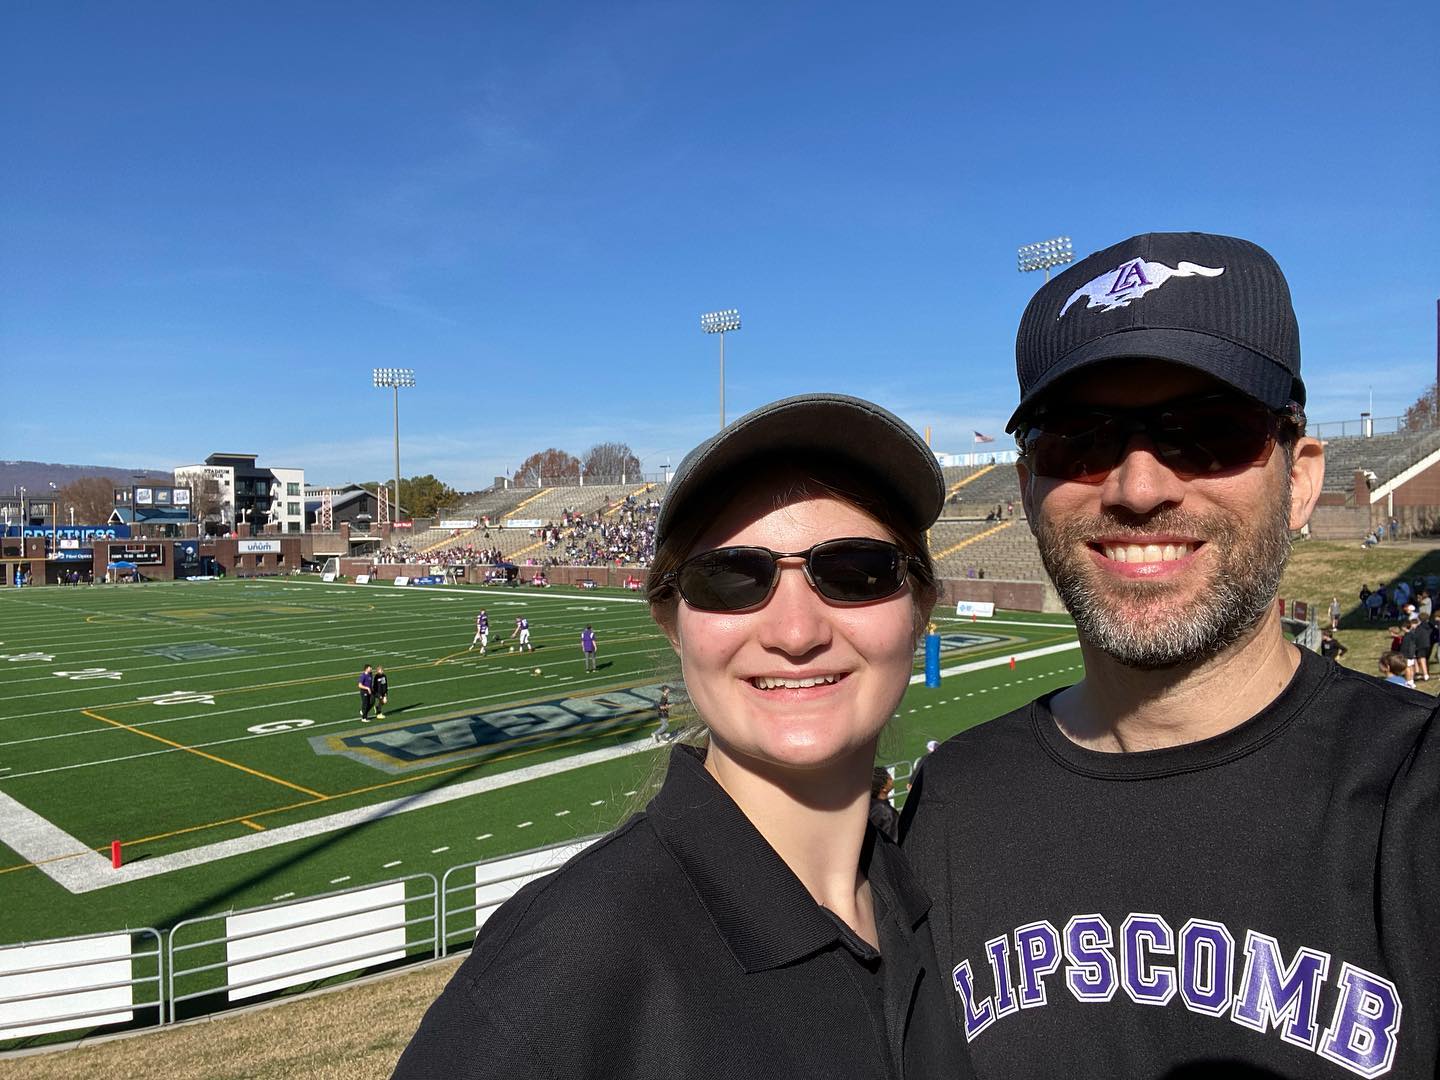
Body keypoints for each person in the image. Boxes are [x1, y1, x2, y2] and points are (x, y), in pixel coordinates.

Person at [902, 232, 1440, 1078]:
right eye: (1078, 439)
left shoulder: (1416, 803)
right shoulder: (951, 803)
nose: (1139, 487)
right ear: (1028, 489)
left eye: (1207, 433)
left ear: (1300, 478)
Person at [395, 393, 962, 1078]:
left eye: (855, 571)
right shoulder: (570, 967)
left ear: (921, 607)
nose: (796, 632)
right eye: (729, 578)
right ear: (672, 618)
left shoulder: (952, 897)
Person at [869, 766, 900, 843]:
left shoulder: (869, 806)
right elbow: (893, 842)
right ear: (883, 788)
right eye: (889, 779)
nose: (892, 779)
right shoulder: (887, 813)